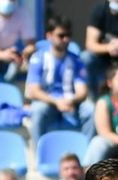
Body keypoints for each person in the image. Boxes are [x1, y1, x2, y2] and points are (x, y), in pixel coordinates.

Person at [26, 16, 94, 144]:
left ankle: (86, 155)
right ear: (49, 36)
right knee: (37, 110)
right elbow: (33, 91)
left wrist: (70, 101)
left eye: (68, 35)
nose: (66, 39)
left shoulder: (77, 60)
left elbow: (82, 91)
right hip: (47, 102)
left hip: (71, 102)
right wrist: (57, 102)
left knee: (91, 110)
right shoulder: (38, 58)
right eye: (61, 35)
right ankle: (40, 154)